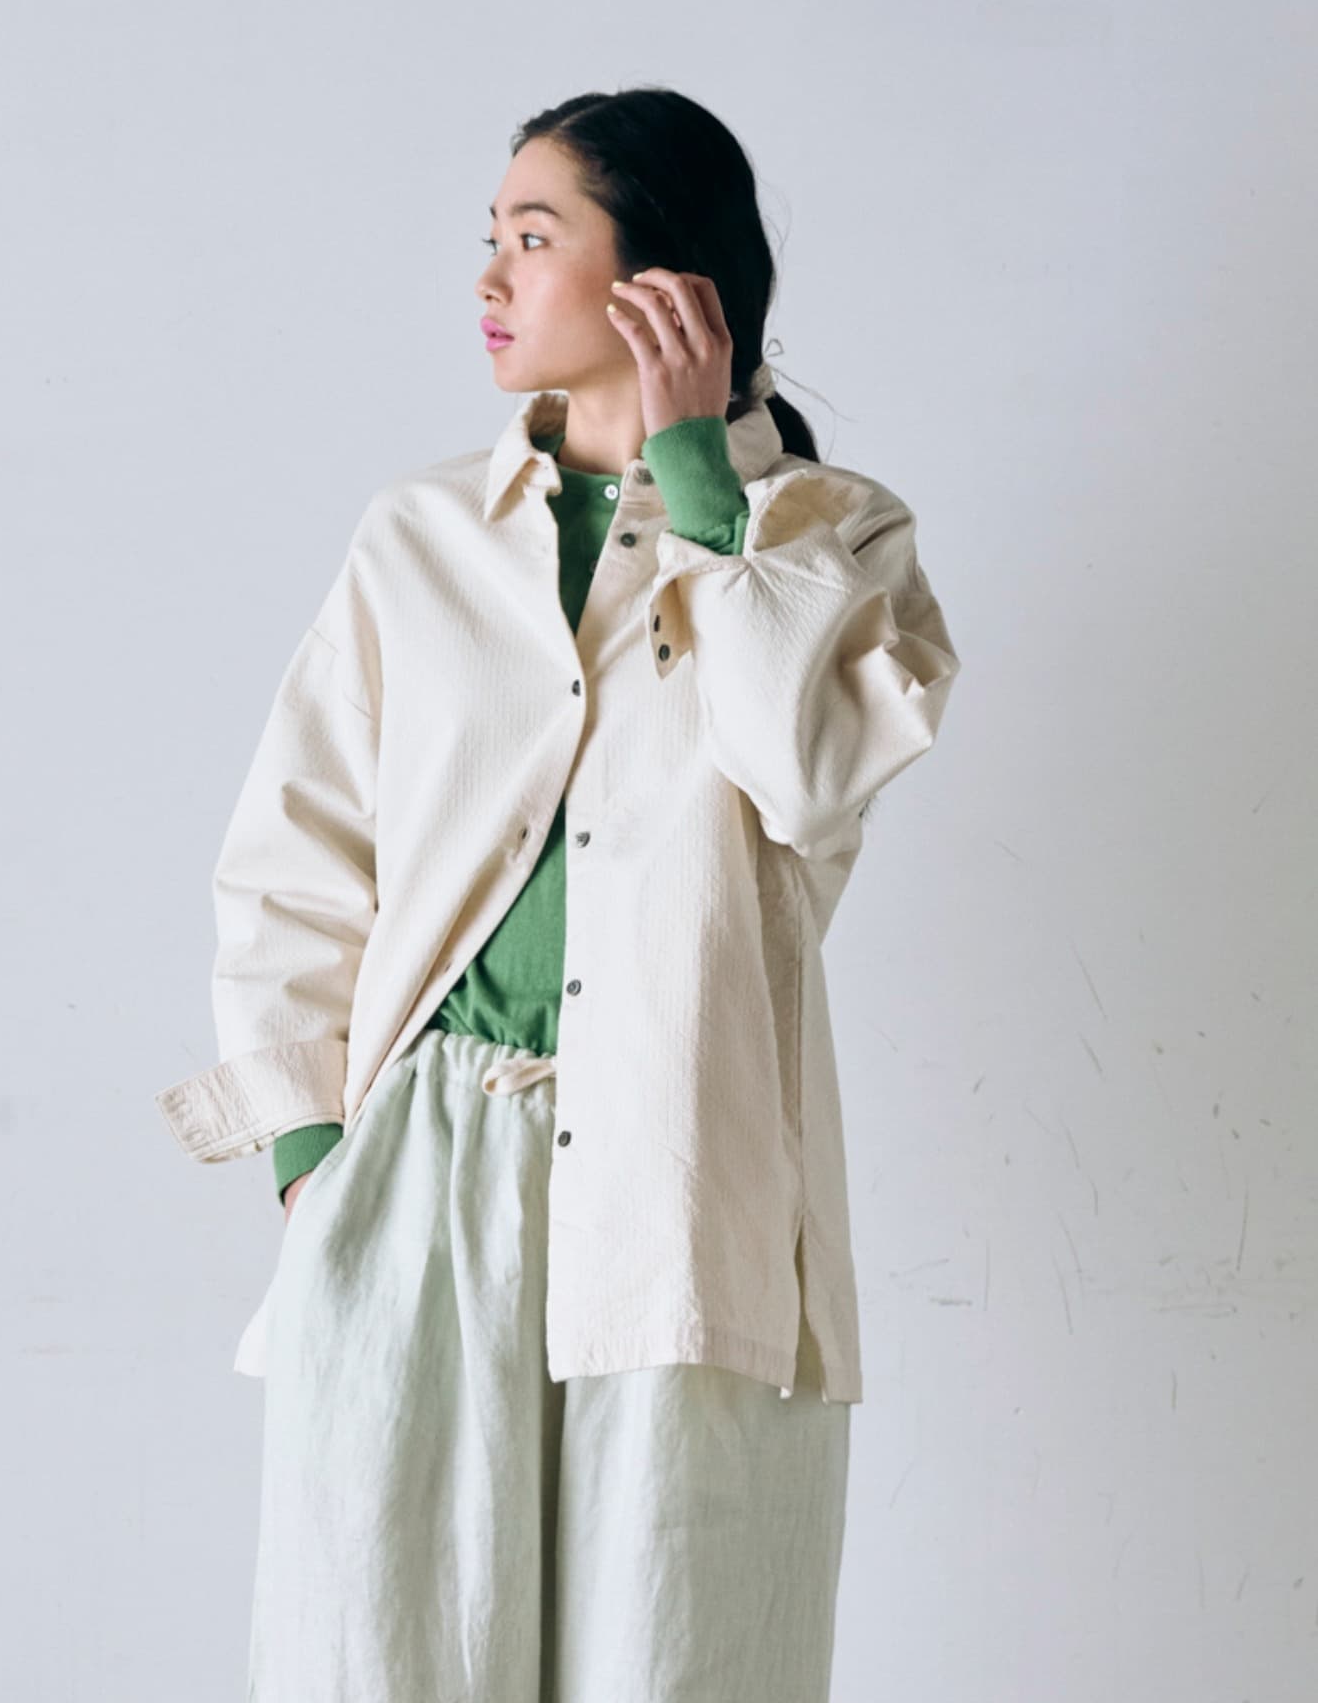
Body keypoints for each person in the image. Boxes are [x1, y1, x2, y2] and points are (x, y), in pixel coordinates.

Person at [154, 84, 962, 1701]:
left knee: (676, 1647)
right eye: (493, 238)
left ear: (666, 282)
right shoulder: (419, 539)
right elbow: (300, 854)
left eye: (535, 237)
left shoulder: (834, 539)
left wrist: (702, 485)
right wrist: (315, 1164)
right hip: (417, 1161)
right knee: (377, 1650)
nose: (490, 279)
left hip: (687, 1166)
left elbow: (807, 775)